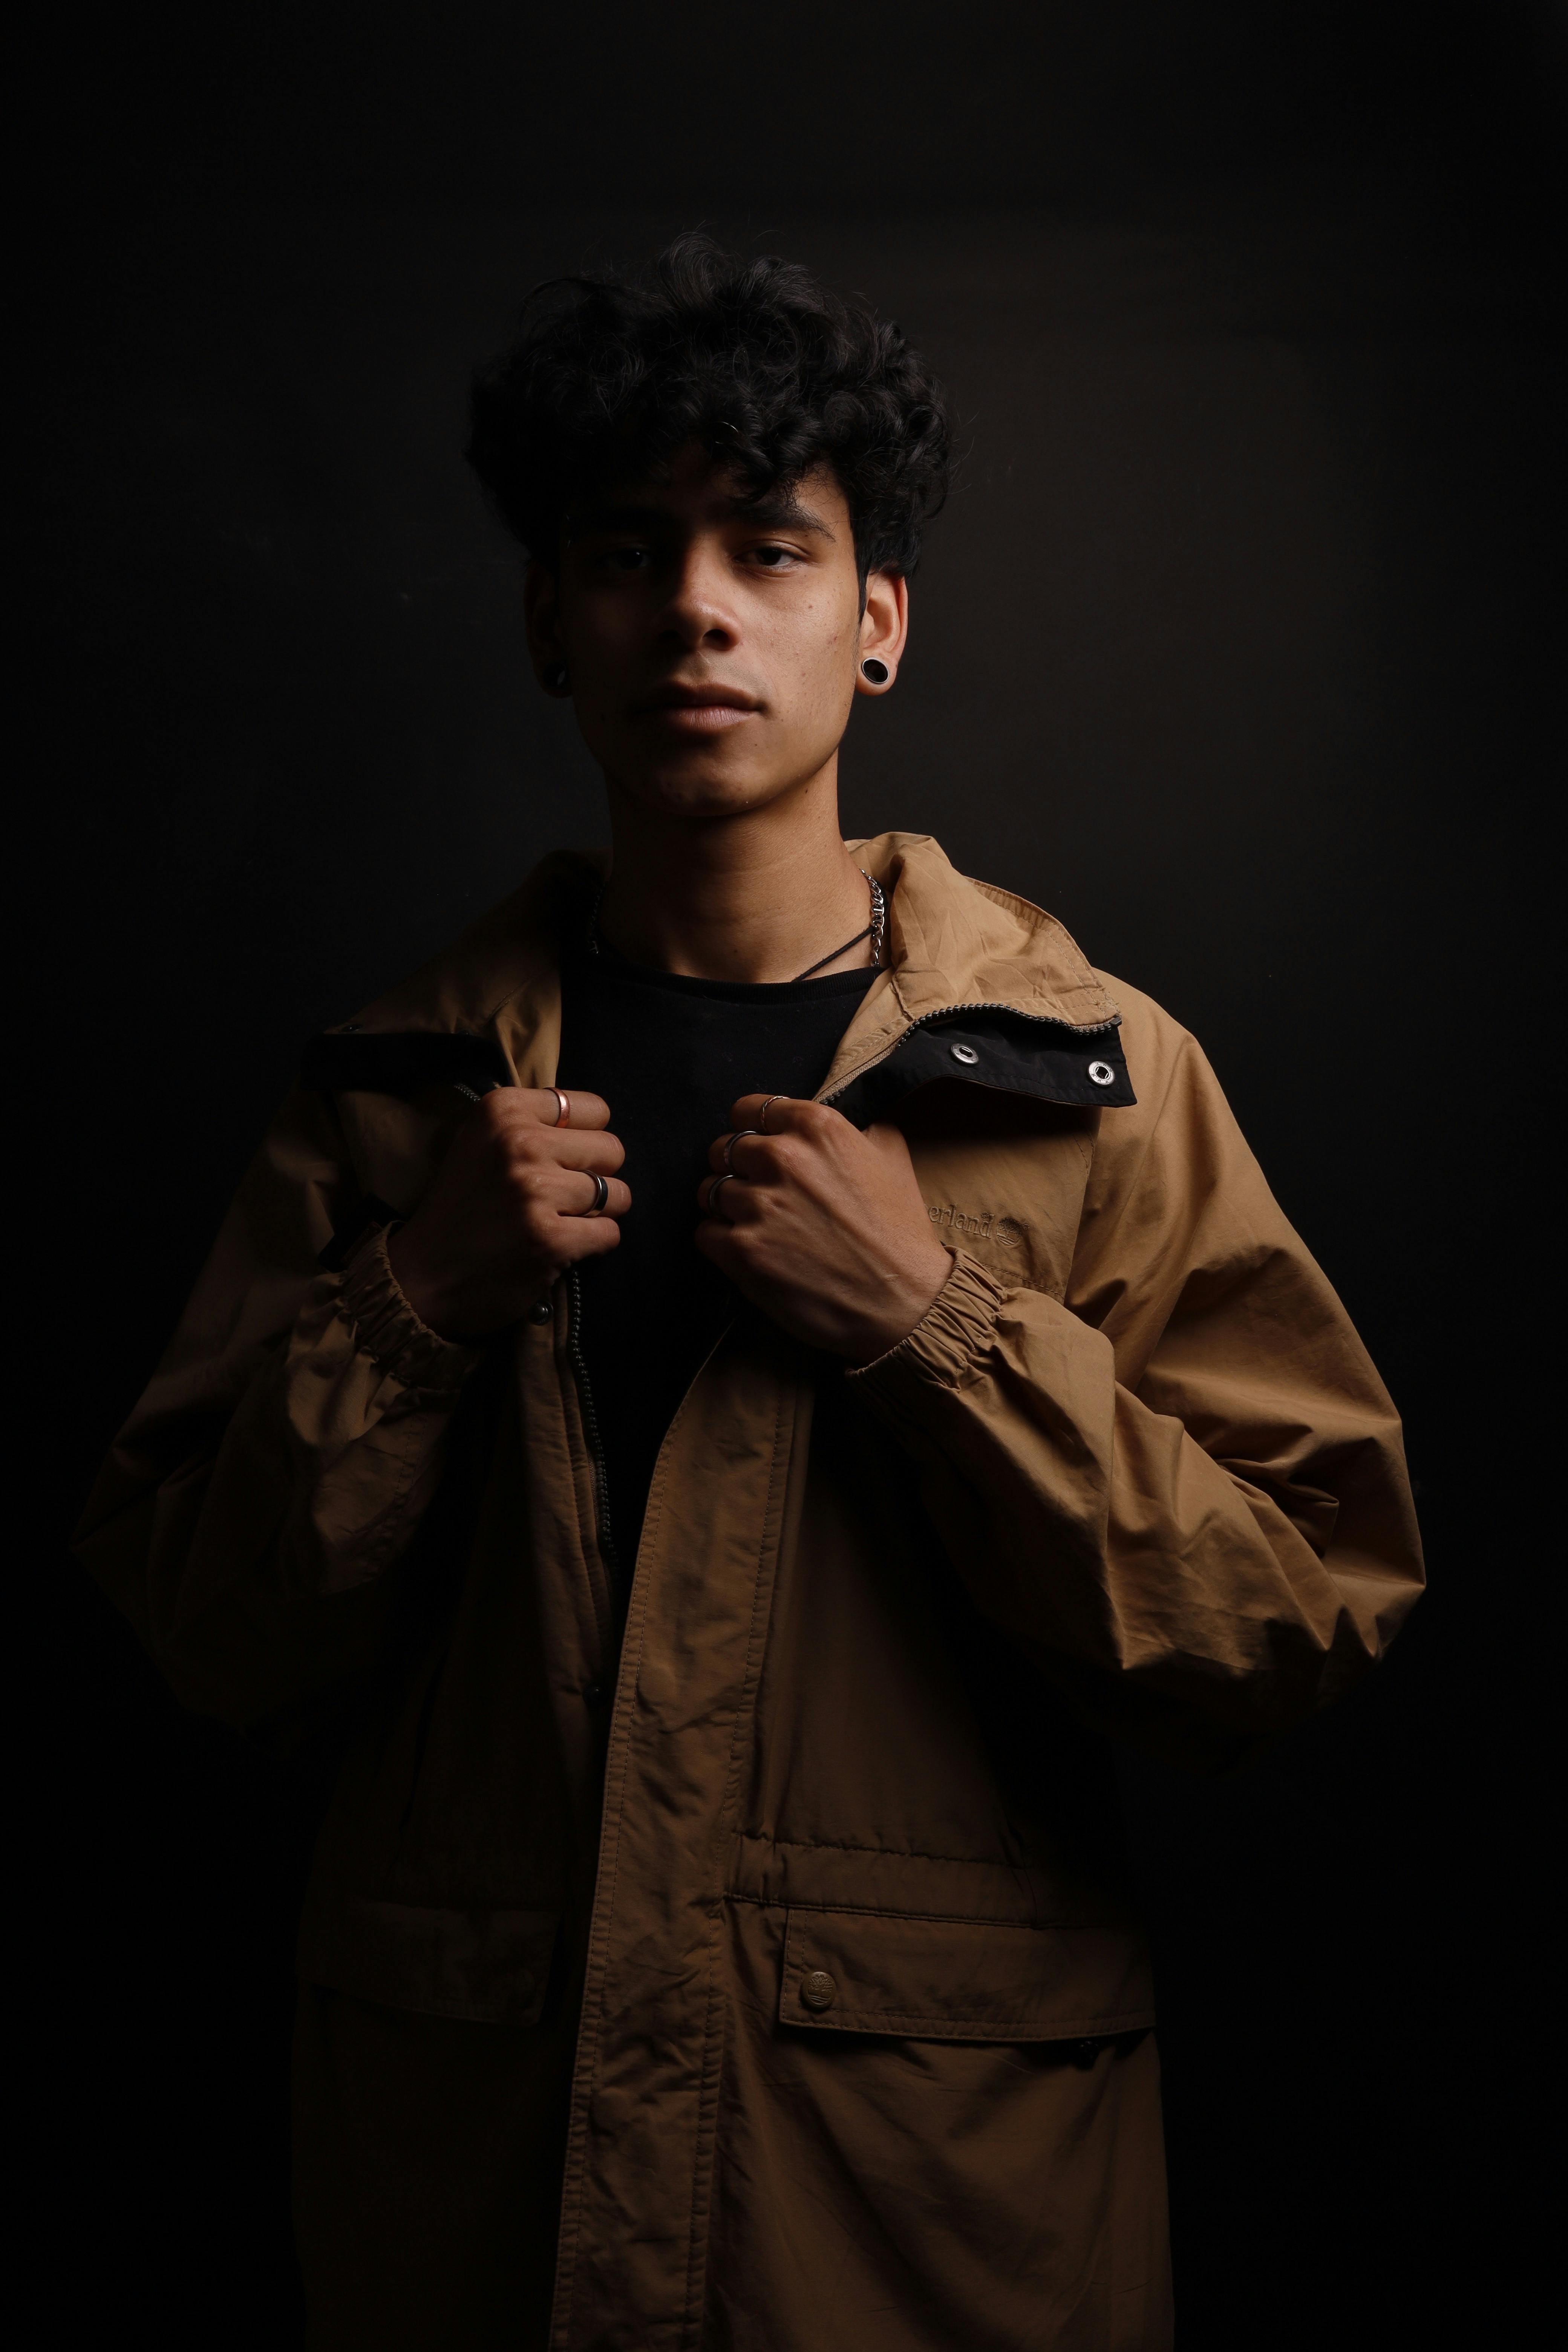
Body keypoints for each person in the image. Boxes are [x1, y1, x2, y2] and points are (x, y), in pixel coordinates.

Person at [76, 235, 1423, 2352]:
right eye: (627, 552)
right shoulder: (394, 1098)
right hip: (474, 2217)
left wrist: (939, 1333)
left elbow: (1291, 1625)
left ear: (873, 622)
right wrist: (413, 1307)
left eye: (769, 551)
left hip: (919, 2229)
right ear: (549, 617)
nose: (695, 607)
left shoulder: (1098, 1081)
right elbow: (197, 1635)